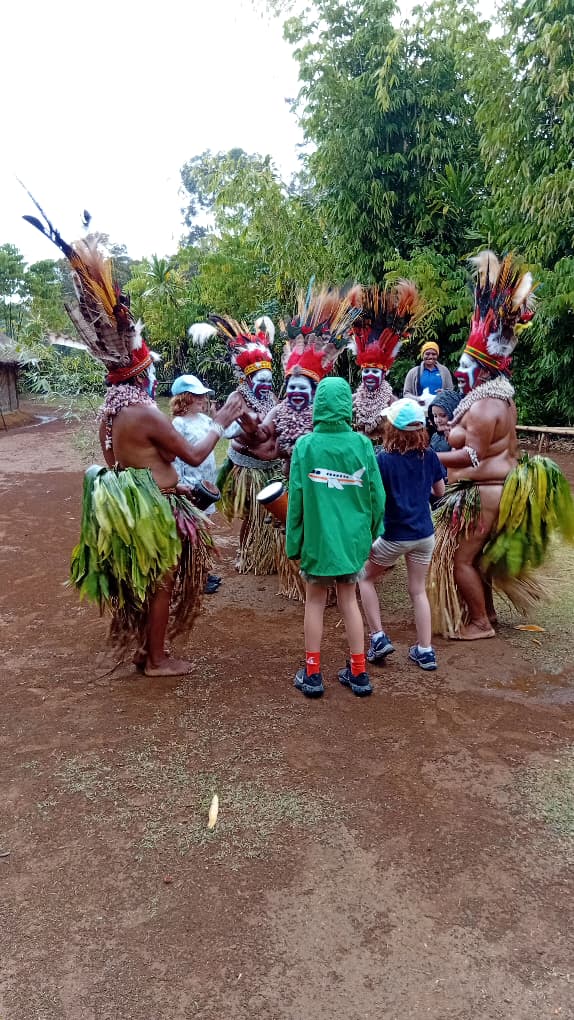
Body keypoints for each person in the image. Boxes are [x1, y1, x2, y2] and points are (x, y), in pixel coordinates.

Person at [22, 209, 245, 677]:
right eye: (151, 368)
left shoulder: (114, 411)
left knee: (149, 584)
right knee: (162, 584)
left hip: (141, 502)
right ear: (141, 372)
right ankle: (156, 659)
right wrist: (222, 418)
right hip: (153, 511)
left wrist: (173, 485)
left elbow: (131, 462)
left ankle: (147, 649)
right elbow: (195, 455)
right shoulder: (143, 410)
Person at [428, 249, 574, 640]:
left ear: (483, 368)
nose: (459, 372)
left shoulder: (481, 409)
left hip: (485, 494)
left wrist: (428, 457)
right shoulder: (498, 400)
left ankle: (478, 623)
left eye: (465, 366)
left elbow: (469, 455)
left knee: (461, 560)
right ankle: (487, 615)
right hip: (495, 492)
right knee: (477, 560)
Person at [285, 376, 386, 698]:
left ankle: (312, 673)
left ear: (318, 405)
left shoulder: (305, 446)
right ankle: (359, 672)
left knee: (314, 602)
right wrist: (372, 533)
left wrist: (294, 543)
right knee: (349, 601)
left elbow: (296, 499)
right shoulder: (362, 444)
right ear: (347, 406)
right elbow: (377, 495)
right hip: (352, 541)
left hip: (318, 541)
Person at [190, 315, 284, 575]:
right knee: (252, 515)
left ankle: (268, 556)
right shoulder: (237, 397)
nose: (265, 384)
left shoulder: (271, 397)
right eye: (260, 379)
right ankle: (244, 553)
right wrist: (250, 428)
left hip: (269, 467)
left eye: (268, 379)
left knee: (272, 515)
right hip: (248, 469)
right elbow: (234, 431)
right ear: (247, 378)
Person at [358, 398, 445, 672]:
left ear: (391, 428)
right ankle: (425, 650)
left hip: (394, 535)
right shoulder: (429, 455)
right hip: (424, 534)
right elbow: (440, 492)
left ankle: (378, 637)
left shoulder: (382, 459)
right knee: (418, 590)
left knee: (365, 577)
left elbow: (374, 499)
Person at [350, 281, 426, 444]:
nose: (370, 375)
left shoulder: (392, 402)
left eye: (375, 372)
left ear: (384, 374)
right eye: (367, 371)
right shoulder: (354, 400)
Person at [170, 374, 224, 595]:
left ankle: (201, 573)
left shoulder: (204, 420)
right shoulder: (178, 424)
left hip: (206, 487)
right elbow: (175, 458)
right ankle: (194, 578)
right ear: (186, 398)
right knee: (193, 535)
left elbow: (224, 433)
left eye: (203, 395)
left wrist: (220, 417)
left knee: (203, 532)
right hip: (191, 490)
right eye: (199, 396)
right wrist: (180, 485)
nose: (203, 399)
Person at [402, 342, 454, 407]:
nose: (430, 357)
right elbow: (406, 394)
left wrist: (444, 393)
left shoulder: (444, 371)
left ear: (437, 355)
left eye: (434, 354)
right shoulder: (413, 372)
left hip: (440, 411)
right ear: (423, 355)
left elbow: (451, 391)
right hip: (420, 411)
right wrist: (417, 399)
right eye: (427, 354)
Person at [428, 390, 462, 454]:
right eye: (435, 416)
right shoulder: (435, 437)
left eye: (443, 416)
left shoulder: (462, 437)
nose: (438, 420)